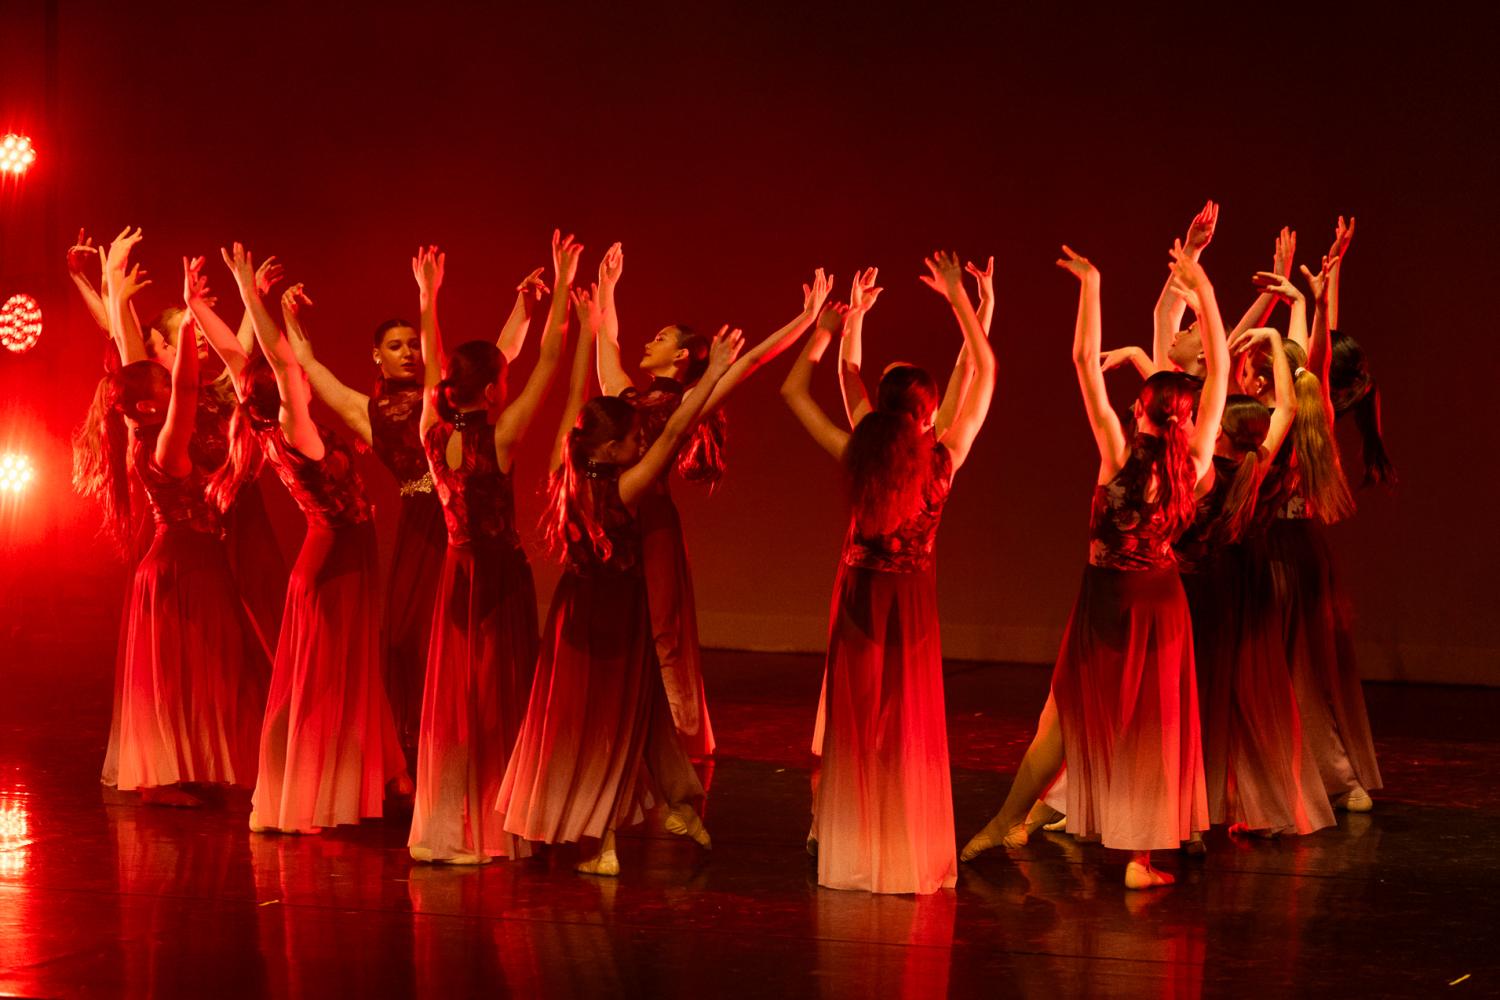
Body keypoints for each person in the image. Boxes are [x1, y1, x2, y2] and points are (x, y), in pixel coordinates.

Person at [962, 244, 1225, 890]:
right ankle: (1139, 856)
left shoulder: (1117, 454)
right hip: (1159, 603)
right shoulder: (1194, 463)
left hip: (1108, 602)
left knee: (1061, 719)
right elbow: (1217, 368)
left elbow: (1084, 362)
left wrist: (1093, 286)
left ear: (1141, 410)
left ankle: (1006, 819)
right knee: (1148, 729)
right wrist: (1205, 289)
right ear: (1186, 420)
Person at [780, 252, 995, 894]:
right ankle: (897, 832)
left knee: (858, 717)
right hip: (910, 600)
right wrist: (969, 303)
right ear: (927, 415)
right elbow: (981, 371)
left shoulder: (861, 449)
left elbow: (822, 387)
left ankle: (844, 830)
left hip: (860, 596)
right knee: (904, 718)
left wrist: (841, 324)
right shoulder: (943, 458)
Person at [498, 313, 743, 877]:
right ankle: (599, 836)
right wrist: (714, 376)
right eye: (635, 439)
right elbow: (678, 430)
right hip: (612, 620)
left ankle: (673, 804)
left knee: (626, 721)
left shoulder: (572, 474)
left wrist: (591, 331)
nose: (643, 444)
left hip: (574, 613)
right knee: (607, 726)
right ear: (609, 449)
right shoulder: (625, 488)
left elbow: (572, 410)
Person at [285, 260, 549, 765]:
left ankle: (474, 740)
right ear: (377, 358)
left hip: (464, 525)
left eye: (414, 343)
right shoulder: (372, 414)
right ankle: (412, 748)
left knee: (464, 639)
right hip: (420, 529)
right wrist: (288, 317)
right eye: (396, 345)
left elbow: (500, 355)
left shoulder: (446, 397)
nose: (408, 352)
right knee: (409, 638)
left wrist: (525, 306)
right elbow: (311, 369)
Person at [594, 243, 834, 756]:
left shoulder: (686, 401)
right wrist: (609, 288)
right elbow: (605, 342)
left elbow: (748, 362)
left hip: (653, 524)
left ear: (681, 355)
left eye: (660, 338)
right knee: (622, 625)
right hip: (615, 520)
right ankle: (624, 727)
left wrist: (806, 318)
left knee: (663, 631)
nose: (648, 340)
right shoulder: (628, 400)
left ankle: (677, 736)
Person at [203, 243, 408, 834]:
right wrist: (248, 295)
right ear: (284, 389)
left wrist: (202, 302)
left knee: (346, 674)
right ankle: (318, 792)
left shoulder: (266, 422)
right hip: (337, 560)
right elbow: (279, 364)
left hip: (334, 556)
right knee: (326, 683)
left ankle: (383, 769)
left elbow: (237, 354)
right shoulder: (297, 430)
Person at [405, 234, 578, 863]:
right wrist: (562, 285)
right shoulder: (501, 437)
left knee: (457, 696)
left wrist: (428, 298)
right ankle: (493, 819)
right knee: (496, 694)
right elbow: (552, 361)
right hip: (499, 577)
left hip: (457, 574)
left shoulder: (431, 429)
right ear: (495, 390)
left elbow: (438, 364)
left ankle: (453, 817)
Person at [83, 250, 268, 805]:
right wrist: (174, 314)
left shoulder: (158, 422)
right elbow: (170, 381)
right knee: (178, 674)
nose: (174, 390)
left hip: (196, 560)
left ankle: (195, 768)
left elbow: (213, 375)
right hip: (180, 564)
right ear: (145, 403)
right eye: (162, 389)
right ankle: (161, 779)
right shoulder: (160, 439)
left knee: (201, 669)